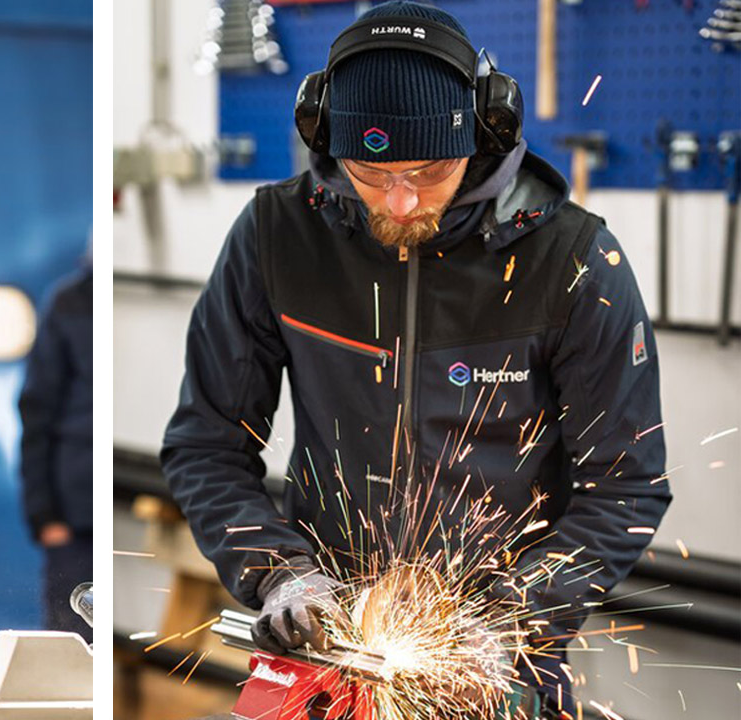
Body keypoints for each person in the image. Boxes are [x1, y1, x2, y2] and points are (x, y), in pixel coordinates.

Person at [161, 2, 670, 716]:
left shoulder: (573, 261)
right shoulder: (276, 235)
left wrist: (513, 617)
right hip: (323, 647)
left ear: (485, 130)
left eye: (429, 171)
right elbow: (207, 445)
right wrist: (280, 574)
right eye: (371, 171)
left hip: (493, 658)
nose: (399, 203)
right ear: (325, 136)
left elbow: (627, 487)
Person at [18, 260, 93, 640]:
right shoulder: (69, 303)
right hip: (71, 527)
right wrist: (45, 516)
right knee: (70, 648)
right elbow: (36, 414)